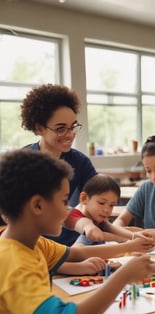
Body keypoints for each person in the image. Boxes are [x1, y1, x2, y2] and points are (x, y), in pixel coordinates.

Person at [0, 149, 155, 314]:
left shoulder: (31, 244)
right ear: (37, 205)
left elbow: (78, 253)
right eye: (65, 201)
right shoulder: (14, 261)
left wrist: (128, 247)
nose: (68, 210)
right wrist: (122, 276)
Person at [21, 83, 97, 246]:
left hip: (74, 241)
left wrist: (127, 234)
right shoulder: (23, 164)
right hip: (35, 245)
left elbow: (97, 200)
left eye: (73, 127)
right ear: (40, 128)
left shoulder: (80, 162)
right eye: (61, 129)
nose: (70, 135)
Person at [65, 174, 155, 246]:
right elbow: (91, 230)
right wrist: (124, 240)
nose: (106, 210)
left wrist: (134, 235)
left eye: (111, 205)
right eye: (101, 203)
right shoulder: (74, 216)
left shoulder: (96, 216)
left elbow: (111, 228)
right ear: (84, 198)